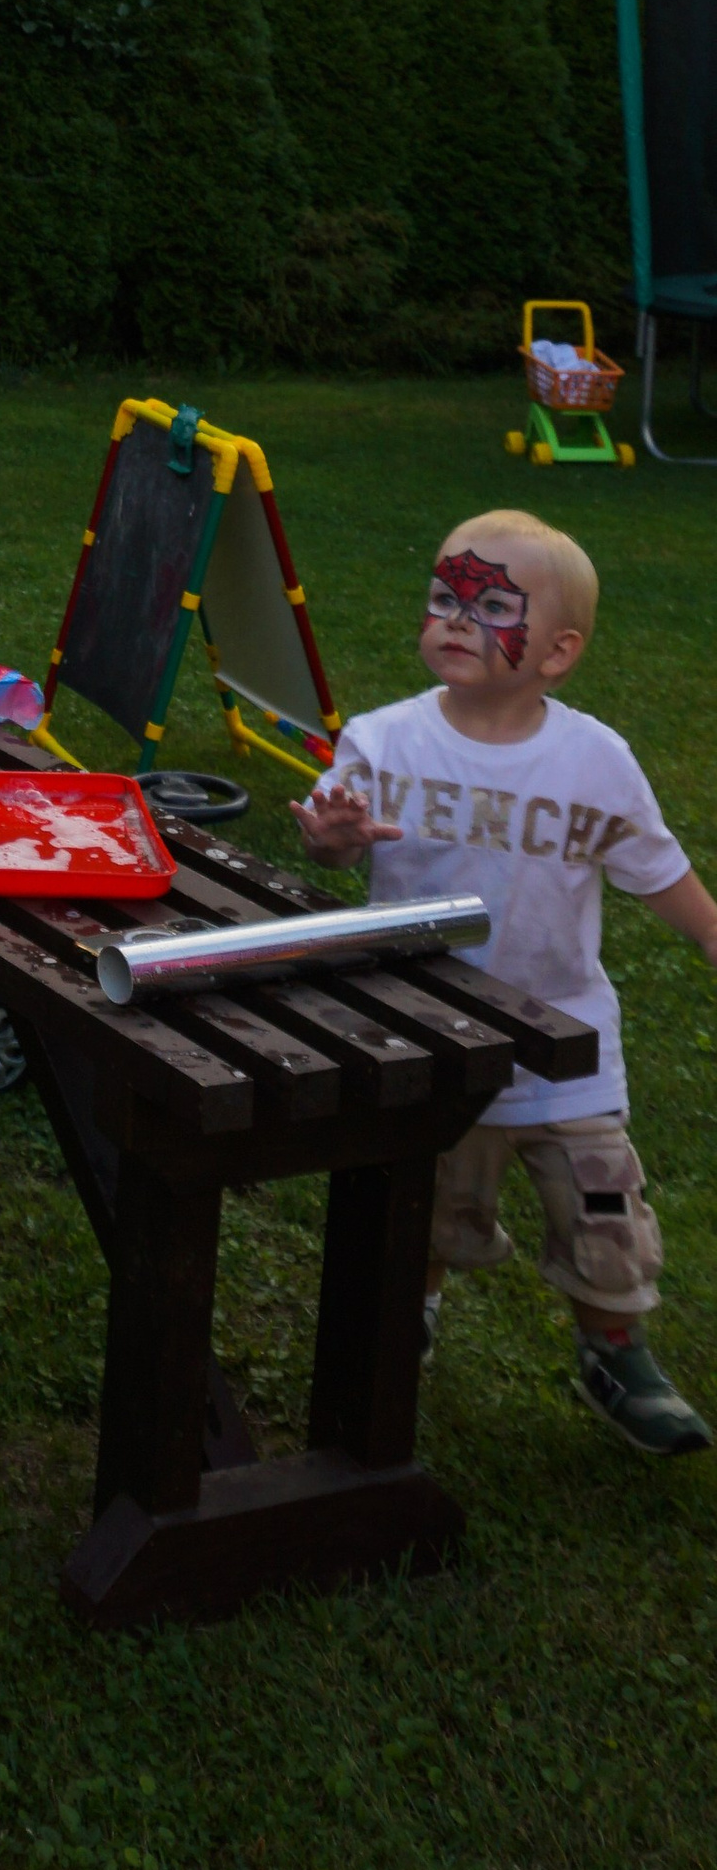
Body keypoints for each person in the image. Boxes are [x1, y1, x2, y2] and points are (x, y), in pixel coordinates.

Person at [295, 507, 717, 1457]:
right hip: (429, 1034)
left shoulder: (594, 762)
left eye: (487, 606)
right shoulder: (385, 740)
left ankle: (615, 1349)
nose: (452, 618)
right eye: (443, 597)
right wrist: (329, 837)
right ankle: (412, 1319)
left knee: (602, 1208)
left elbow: (659, 873)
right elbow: (323, 832)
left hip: (566, 1039)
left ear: (557, 652)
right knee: (431, 1205)